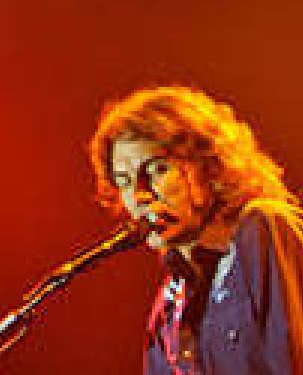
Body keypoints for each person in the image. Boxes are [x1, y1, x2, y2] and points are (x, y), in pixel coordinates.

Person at [88, 86, 303, 374]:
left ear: (209, 166)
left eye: (158, 169)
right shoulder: (167, 308)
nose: (139, 195)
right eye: (124, 181)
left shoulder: (261, 229)